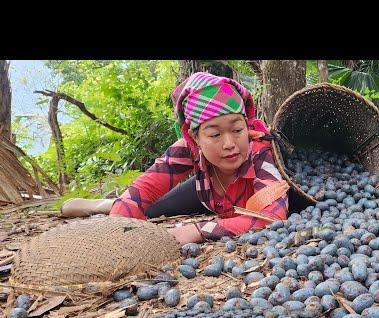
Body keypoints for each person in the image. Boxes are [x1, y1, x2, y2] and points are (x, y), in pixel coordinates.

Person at [61, 72, 289, 245]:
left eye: (237, 130)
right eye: (215, 134)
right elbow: (143, 190)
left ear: (246, 126)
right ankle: (106, 204)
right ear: (195, 137)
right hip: (206, 191)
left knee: (158, 207)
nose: (229, 144)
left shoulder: (259, 152)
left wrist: (199, 230)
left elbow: (270, 218)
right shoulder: (186, 150)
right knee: (154, 206)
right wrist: (121, 221)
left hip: (237, 200)